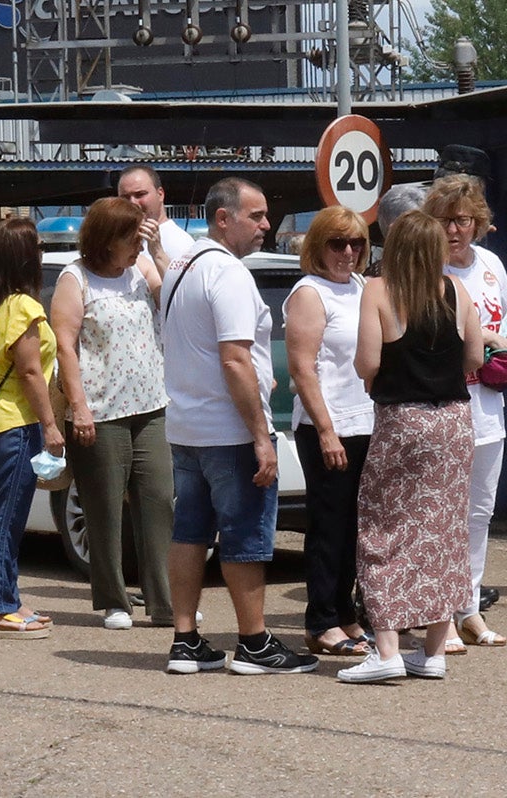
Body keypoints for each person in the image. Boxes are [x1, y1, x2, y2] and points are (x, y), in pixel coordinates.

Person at [160, 177, 318, 675]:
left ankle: (185, 639)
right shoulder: (225, 273)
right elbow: (233, 359)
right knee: (245, 535)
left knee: (190, 533)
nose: (266, 226)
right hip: (228, 432)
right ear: (223, 218)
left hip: (187, 426)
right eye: (257, 216)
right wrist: (258, 435)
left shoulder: (181, 265)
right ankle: (253, 642)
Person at [338, 210, 494, 683]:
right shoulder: (456, 291)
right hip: (454, 420)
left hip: (403, 420)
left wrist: (377, 376)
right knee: (445, 529)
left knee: (384, 527)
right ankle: (433, 651)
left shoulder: (379, 292)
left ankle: (385, 649)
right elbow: (473, 357)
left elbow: (367, 362)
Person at [50, 197, 174, 631]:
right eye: (131, 238)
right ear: (106, 240)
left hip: (150, 404)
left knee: (158, 501)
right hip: (101, 411)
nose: (137, 246)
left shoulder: (140, 270)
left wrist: (157, 252)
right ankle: (114, 600)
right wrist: (79, 407)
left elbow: (171, 301)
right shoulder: (75, 278)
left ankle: (164, 601)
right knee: (103, 509)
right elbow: (64, 344)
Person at [424, 174, 507, 651]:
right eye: (445, 220)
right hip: (446, 403)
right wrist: (489, 340)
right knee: (443, 512)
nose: (454, 230)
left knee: (479, 511)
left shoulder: (490, 263)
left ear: (478, 222)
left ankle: (469, 607)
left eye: (463, 220)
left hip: (488, 406)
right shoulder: (425, 272)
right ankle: (439, 614)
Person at [283, 206, 374, 658]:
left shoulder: (360, 287)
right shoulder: (309, 293)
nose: (349, 252)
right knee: (329, 524)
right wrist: (326, 430)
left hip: (366, 421)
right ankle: (320, 619)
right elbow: (302, 368)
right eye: (338, 243)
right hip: (328, 424)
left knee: (355, 527)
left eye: (356, 243)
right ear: (319, 247)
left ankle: (345, 612)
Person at [0, 218, 65, 639]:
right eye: (38, 247)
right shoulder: (24, 308)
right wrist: (50, 426)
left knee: (6, 520)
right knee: (3, 521)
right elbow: (29, 372)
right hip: (14, 427)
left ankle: (8, 598)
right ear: (28, 258)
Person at [118, 165, 195, 269]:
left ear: (160, 194)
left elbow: (183, 285)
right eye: (125, 197)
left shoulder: (180, 244)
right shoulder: (119, 241)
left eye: (140, 194)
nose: (133, 203)